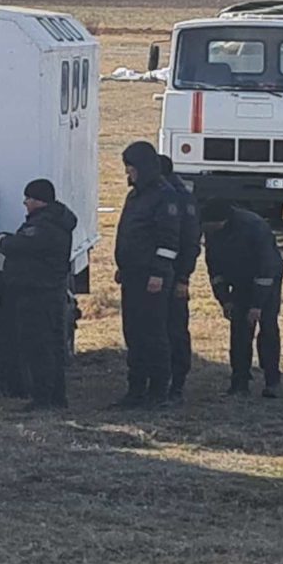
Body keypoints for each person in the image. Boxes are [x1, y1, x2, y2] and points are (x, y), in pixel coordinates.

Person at [0, 179, 78, 409]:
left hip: (37, 295)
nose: (25, 203)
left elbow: (14, 246)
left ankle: (44, 399)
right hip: (49, 293)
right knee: (52, 346)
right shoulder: (55, 221)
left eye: (28, 198)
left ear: (39, 201)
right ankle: (56, 397)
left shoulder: (43, 227)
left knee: (39, 347)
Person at [113, 141, 187, 407]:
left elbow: (169, 241)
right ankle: (136, 389)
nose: (127, 174)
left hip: (152, 278)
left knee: (153, 334)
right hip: (133, 275)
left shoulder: (164, 196)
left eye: (130, 169)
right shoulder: (137, 195)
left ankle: (158, 391)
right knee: (133, 333)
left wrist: (158, 273)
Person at [202, 200, 283, 397]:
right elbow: (215, 269)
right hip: (240, 281)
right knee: (239, 330)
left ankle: (272, 381)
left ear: (222, 221)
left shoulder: (254, 227)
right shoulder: (212, 231)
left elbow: (267, 268)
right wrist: (225, 299)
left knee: (268, 328)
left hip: (267, 280)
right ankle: (239, 381)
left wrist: (257, 305)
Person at [160, 157, 202, 404]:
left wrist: (183, 277)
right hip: (162, 274)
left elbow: (189, 243)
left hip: (174, 275)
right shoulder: (166, 194)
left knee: (174, 329)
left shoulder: (178, 199)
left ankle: (176, 382)